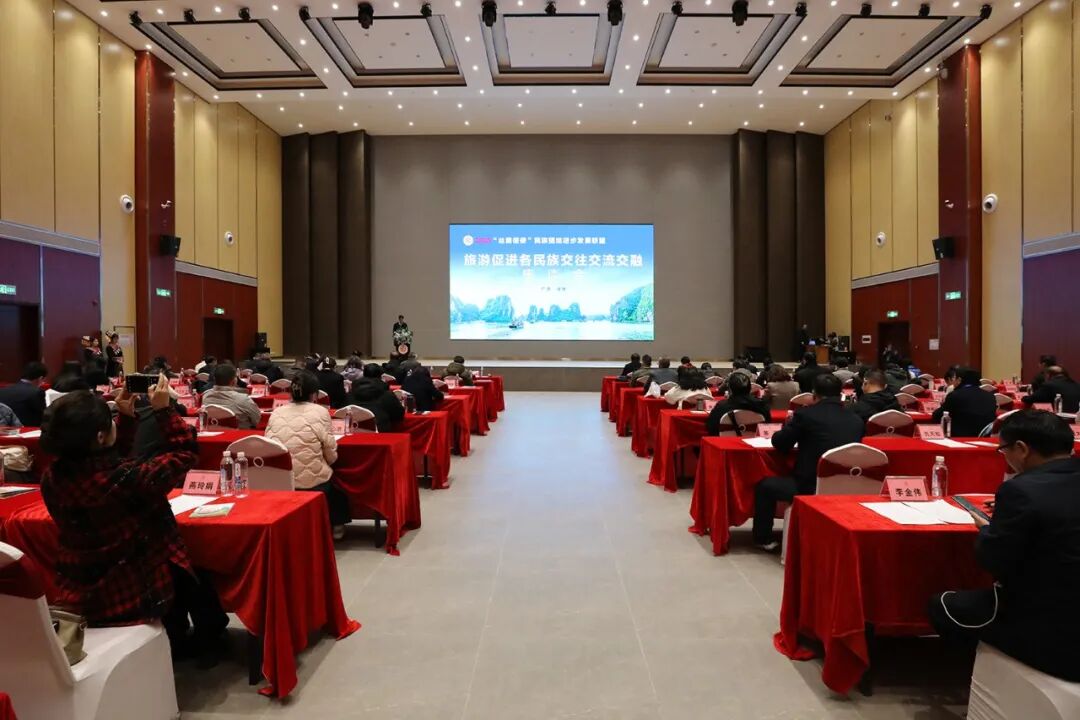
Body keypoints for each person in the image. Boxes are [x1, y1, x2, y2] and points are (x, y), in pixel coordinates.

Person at [39, 378, 227, 662]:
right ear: (100, 436)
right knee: (191, 569)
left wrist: (126, 420)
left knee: (186, 570)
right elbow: (184, 454)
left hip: (83, 586)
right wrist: (164, 411)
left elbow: (109, 464)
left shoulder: (52, 478)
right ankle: (197, 645)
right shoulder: (129, 480)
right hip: (135, 592)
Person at [928, 410, 1080, 683]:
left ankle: (982, 677)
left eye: (1003, 450)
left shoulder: (1021, 490)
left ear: (1021, 449)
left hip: (1052, 632)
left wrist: (986, 529)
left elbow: (993, 560)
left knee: (943, 604)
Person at [752, 373, 864, 550]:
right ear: (840, 393)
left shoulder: (805, 415)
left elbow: (780, 443)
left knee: (764, 486)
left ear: (814, 394)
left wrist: (790, 428)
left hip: (810, 485)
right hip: (850, 486)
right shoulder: (856, 420)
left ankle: (763, 538)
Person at [265, 371, 350, 539]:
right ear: (314, 395)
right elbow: (331, 453)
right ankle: (336, 528)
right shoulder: (320, 412)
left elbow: (268, 443)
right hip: (310, 482)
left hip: (279, 479)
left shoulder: (277, 412)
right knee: (338, 486)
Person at [931, 367, 997, 437]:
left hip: (959, 438)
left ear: (959, 380)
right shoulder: (991, 396)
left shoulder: (955, 395)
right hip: (985, 437)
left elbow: (938, 416)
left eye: (955, 379)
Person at [705, 372, 770, 436]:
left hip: (726, 441)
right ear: (750, 388)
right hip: (755, 441)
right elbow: (767, 426)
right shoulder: (761, 405)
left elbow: (711, 428)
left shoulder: (721, 406)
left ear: (730, 389)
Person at [200, 363, 261, 429]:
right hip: (240, 434)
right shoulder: (243, 399)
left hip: (211, 433)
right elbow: (258, 420)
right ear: (234, 380)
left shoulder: (205, 395)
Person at [348, 364, 405, 432]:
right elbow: (398, 416)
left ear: (363, 374)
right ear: (380, 376)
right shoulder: (387, 395)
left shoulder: (350, 394)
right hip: (381, 431)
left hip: (351, 430)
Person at [0, 361, 48, 427]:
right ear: (40, 378)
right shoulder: (36, 392)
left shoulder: (3, 390)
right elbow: (44, 415)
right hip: (29, 429)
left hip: (5, 429)